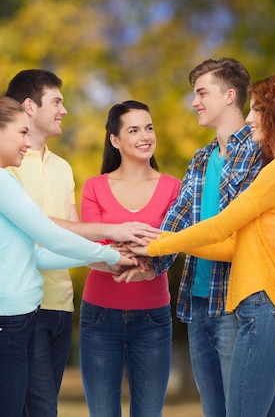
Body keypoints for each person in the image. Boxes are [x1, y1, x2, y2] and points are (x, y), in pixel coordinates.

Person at [125, 74, 275, 417]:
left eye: (259, 110)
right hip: (261, 308)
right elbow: (228, 245)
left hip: (264, 306)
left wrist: (156, 248)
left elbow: (222, 224)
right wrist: (160, 241)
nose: (250, 118)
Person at [0, 96, 137, 417]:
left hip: (13, 322)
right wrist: (109, 250)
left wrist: (106, 261)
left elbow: (35, 254)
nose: (26, 142)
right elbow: (48, 235)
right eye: (21, 133)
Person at [4, 70, 161, 417]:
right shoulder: (6, 164)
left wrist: (115, 262)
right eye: (57, 101)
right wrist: (115, 235)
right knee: (40, 409)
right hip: (21, 306)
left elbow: (75, 235)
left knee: (43, 406)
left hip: (61, 307)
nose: (64, 110)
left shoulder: (62, 167)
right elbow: (32, 228)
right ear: (30, 107)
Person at [150, 58, 262, 417]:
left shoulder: (258, 154)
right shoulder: (200, 158)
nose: (194, 102)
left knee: (240, 410)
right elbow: (178, 218)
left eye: (201, 92)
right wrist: (147, 261)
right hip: (197, 304)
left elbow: (234, 230)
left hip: (236, 303)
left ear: (230, 95)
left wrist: (165, 246)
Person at [79, 100, 180, 417]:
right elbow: (87, 246)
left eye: (149, 128)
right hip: (99, 317)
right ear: (115, 140)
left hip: (153, 319)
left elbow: (173, 244)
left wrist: (131, 257)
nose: (145, 136)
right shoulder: (94, 186)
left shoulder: (173, 187)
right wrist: (134, 251)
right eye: (133, 130)